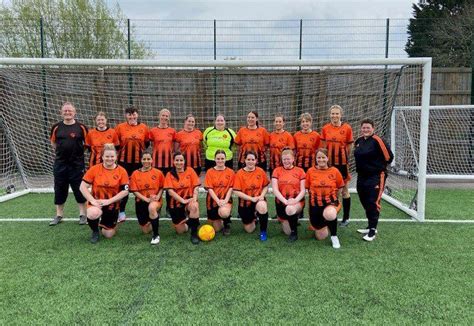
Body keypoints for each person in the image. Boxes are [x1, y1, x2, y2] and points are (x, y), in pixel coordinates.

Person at [80, 144, 129, 243]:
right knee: (92, 213)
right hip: (97, 202)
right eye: (107, 156)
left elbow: (125, 191)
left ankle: (110, 224)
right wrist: (92, 201)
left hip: (112, 204)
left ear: (116, 157)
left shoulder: (122, 171)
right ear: (102, 157)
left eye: (112, 156)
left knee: (108, 234)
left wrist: (108, 201)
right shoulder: (94, 169)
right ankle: (95, 231)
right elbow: (82, 187)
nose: (109, 159)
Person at [354, 119, 393, 242]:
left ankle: (372, 230)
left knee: (372, 202)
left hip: (375, 177)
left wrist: (377, 167)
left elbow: (389, 157)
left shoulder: (377, 141)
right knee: (364, 201)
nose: (365, 130)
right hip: (361, 177)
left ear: (373, 128)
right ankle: (370, 225)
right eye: (363, 128)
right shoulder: (359, 141)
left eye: (368, 128)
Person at [49, 102, 88, 226]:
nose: (67, 113)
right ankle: (59, 215)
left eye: (69, 111)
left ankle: (83, 215)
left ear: (74, 112)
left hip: (77, 165)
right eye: (65, 111)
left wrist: (77, 154)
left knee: (79, 190)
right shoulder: (56, 127)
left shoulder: (81, 127)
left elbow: (86, 144)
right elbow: (53, 143)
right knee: (60, 189)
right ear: (61, 112)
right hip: (60, 165)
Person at [115, 106, 150, 222]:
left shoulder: (144, 127)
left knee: (140, 187)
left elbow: (147, 144)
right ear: (126, 116)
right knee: (123, 187)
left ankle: (143, 210)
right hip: (124, 163)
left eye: (134, 114)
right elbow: (116, 145)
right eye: (129, 115)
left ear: (137, 115)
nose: (132, 117)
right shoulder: (120, 127)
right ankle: (121, 212)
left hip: (139, 163)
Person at [321, 105, 354, 227]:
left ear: (341, 114)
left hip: (342, 165)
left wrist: (344, 158)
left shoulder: (347, 128)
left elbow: (349, 147)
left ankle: (346, 218)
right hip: (329, 165)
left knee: (344, 191)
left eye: (337, 114)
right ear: (329, 115)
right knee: (330, 191)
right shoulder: (325, 128)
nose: (334, 116)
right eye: (332, 114)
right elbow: (324, 147)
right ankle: (328, 216)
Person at [305, 148, 344, 249]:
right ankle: (325, 224)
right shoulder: (310, 171)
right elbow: (308, 189)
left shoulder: (335, 171)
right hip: (315, 206)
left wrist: (335, 200)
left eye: (323, 157)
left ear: (327, 158)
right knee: (320, 237)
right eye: (318, 157)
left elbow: (340, 187)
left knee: (329, 214)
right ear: (315, 159)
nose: (321, 159)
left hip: (331, 203)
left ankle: (334, 236)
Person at [164, 152, 201, 244]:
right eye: (177, 160)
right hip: (176, 203)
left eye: (181, 160)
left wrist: (194, 198)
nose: (179, 162)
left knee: (194, 206)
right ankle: (192, 222)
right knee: (180, 231)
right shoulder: (169, 174)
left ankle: (194, 233)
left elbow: (196, 186)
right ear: (173, 161)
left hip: (189, 200)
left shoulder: (190, 171)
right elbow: (170, 192)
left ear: (184, 161)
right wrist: (183, 201)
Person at [233, 151, 270, 241]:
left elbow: (266, 186)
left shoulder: (260, 171)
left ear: (256, 161)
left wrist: (262, 195)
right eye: (248, 159)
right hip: (245, 203)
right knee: (249, 230)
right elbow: (236, 191)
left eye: (252, 159)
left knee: (262, 206)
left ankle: (263, 231)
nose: (250, 161)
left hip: (258, 200)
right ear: (244, 160)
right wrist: (251, 198)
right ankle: (254, 218)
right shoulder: (239, 173)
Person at [130, 151, 165, 245]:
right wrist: (146, 200)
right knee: (145, 230)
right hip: (141, 202)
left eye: (148, 159)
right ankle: (154, 219)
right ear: (141, 160)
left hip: (155, 201)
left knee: (152, 207)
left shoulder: (158, 173)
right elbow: (134, 190)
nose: (146, 161)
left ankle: (156, 235)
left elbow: (162, 187)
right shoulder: (135, 174)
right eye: (144, 159)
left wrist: (158, 196)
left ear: (152, 160)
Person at [271, 148, 305, 242]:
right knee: (286, 231)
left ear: (293, 159)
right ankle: (286, 219)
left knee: (290, 209)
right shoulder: (277, 171)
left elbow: (303, 190)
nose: (286, 161)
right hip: (281, 202)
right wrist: (285, 201)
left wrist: (295, 200)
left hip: (296, 202)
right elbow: (275, 189)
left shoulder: (300, 171)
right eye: (284, 159)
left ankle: (294, 233)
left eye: (288, 159)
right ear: (282, 160)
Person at [204, 150, 234, 235]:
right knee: (216, 229)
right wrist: (218, 201)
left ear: (226, 159)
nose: (220, 160)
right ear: (214, 159)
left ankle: (226, 223)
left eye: (222, 158)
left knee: (224, 212)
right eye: (218, 158)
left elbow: (231, 188)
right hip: (212, 201)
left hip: (225, 200)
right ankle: (219, 218)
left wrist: (225, 200)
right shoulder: (209, 171)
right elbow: (209, 189)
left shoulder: (231, 172)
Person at [149, 108, 176, 175]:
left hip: (169, 161)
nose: (164, 117)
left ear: (169, 118)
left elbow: (175, 146)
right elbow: (152, 145)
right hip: (156, 161)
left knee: (168, 181)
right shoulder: (153, 131)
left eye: (167, 116)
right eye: (163, 115)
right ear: (159, 116)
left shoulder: (172, 131)